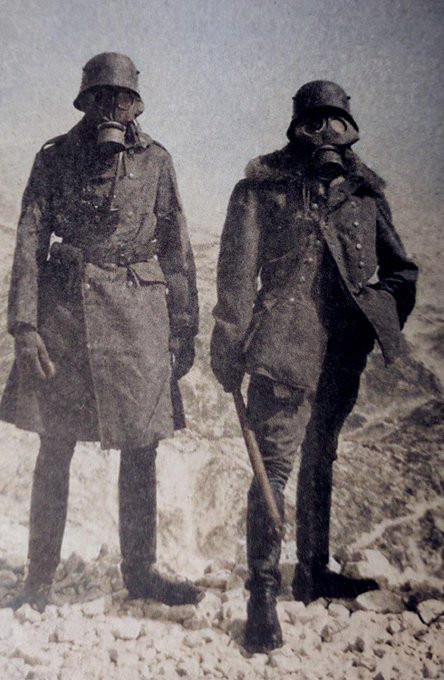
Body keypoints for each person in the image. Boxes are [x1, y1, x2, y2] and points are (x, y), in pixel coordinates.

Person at [211, 80, 418, 653]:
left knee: (320, 457)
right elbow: (234, 282)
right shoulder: (260, 191)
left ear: (348, 130)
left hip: (341, 352)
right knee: (272, 468)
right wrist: (228, 347)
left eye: (336, 122)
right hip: (282, 348)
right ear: (297, 127)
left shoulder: (364, 195)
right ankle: (260, 594)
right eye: (315, 122)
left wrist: (374, 313)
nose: (326, 134)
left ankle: (313, 572)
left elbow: (402, 271)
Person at [1, 52, 202, 611]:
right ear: (85, 101)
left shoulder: (156, 161)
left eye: (122, 98)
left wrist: (184, 328)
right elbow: (29, 237)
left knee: (142, 449)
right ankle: (38, 581)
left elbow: (177, 248)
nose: (112, 107)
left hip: (138, 317)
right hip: (65, 318)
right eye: (101, 97)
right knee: (54, 446)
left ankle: (141, 574)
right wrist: (24, 322)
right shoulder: (55, 158)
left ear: (136, 104)